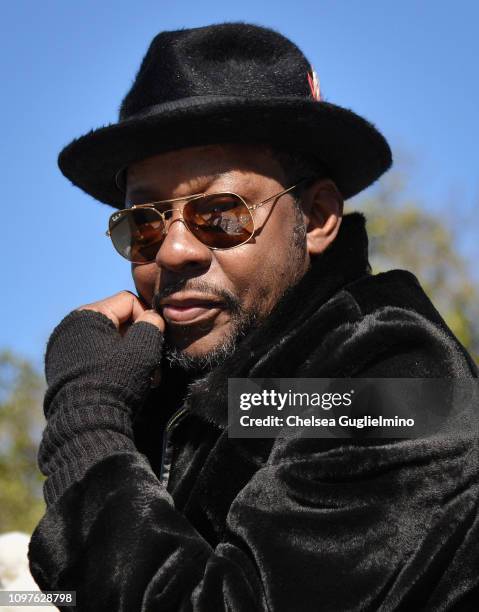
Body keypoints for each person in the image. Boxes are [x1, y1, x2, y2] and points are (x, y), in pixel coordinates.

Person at [28, 22, 479, 611]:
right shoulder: (193, 391)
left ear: (316, 218)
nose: (173, 250)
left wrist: (86, 426)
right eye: (144, 222)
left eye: (221, 214)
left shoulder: (395, 382)